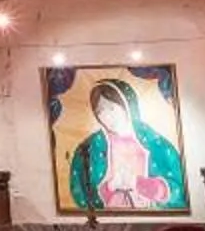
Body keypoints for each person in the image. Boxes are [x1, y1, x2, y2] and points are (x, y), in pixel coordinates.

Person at [68, 78, 186, 213]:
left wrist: (138, 183)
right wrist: (110, 187)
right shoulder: (91, 148)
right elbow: (83, 193)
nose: (106, 116)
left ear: (127, 106)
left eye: (111, 108)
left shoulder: (155, 143)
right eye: (100, 111)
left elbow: (177, 188)